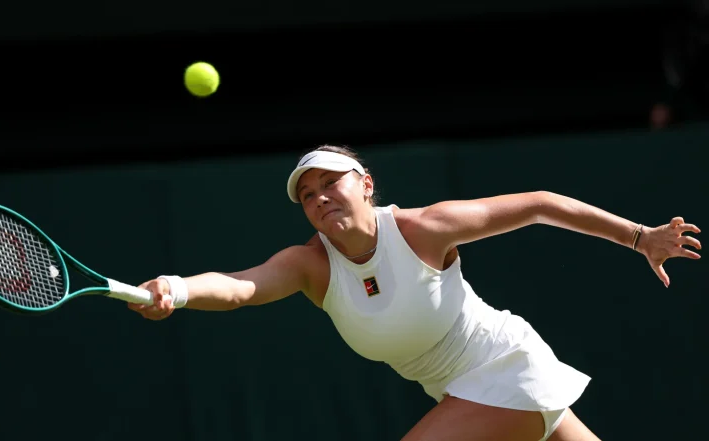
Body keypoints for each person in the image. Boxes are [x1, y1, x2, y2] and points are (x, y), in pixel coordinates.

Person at [128, 145, 702, 441]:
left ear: (366, 185)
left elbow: (540, 205)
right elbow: (239, 287)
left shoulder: (424, 228)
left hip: (505, 368)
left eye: (331, 182)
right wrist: (176, 289)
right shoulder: (309, 266)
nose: (320, 197)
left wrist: (640, 237)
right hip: (462, 392)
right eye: (307, 194)